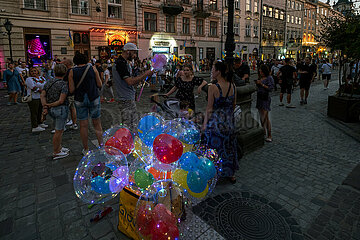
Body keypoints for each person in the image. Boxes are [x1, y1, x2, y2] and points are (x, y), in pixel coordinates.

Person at [203, 61, 238, 183]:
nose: (211, 71)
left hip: (216, 124)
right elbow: (233, 105)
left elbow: (209, 108)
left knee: (214, 149)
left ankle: (214, 173)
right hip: (229, 122)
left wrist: (204, 124)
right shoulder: (233, 86)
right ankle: (231, 173)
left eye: (213, 69)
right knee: (229, 148)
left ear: (218, 72)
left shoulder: (212, 87)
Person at [112, 43, 153, 131]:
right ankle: (129, 142)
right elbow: (130, 81)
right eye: (134, 53)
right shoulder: (120, 63)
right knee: (130, 124)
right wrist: (145, 74)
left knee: (132, 123)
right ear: (128, 51)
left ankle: (130, 140)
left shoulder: (123, 62)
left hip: (126, 96)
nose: (134, 55)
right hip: (125, 98)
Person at [68, 53, 103, 155]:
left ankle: (86, 148)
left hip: (80, 99)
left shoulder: (72, 72)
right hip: (93, 97)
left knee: (83, 125)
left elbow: (71, 89)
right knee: (97, 123)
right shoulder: (93, 68)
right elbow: (100, 84)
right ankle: (101, 146)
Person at [41, 64, 70, 159]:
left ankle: (59, 147)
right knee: (59, 131)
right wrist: (50, 105)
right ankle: (56, 151)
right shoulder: (63, 84)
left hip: (51, 110)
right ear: (65, 73)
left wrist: (45, 106)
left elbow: (42, 95)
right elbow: (61, 100)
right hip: (60, 109)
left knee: (58, 129)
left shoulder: (48, 82)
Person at [25, 67, 48, 132]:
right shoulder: (29, 79)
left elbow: (45, 85)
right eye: (32, 71)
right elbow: (33, 87)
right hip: (33, 98)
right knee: (34, 112)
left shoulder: (42, 78)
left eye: (35, 71)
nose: (34, 72)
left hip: (41, 97)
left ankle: (40, 122)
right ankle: (34, 126)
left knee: (40, 111)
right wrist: (42, 91)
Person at [256, 65, 274, 142]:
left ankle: (269, 134)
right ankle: (263, 132)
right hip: (259, 97)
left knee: (265, 117)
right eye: (260, 72)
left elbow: (270, 88)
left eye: (262, 72)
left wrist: (261, 84)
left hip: (265, 98)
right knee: (261, 116)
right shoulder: (261, 77)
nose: (261, 73)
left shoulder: (269, 78)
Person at [62, 59, 78, 130]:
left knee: (65, 109)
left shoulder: (69, 71)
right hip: (74, 92)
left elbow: (64, 81)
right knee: (72, 108)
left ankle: (63, 125)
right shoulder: (75, 70)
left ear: (67, 64)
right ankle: (74, 123)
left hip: (68, 92)